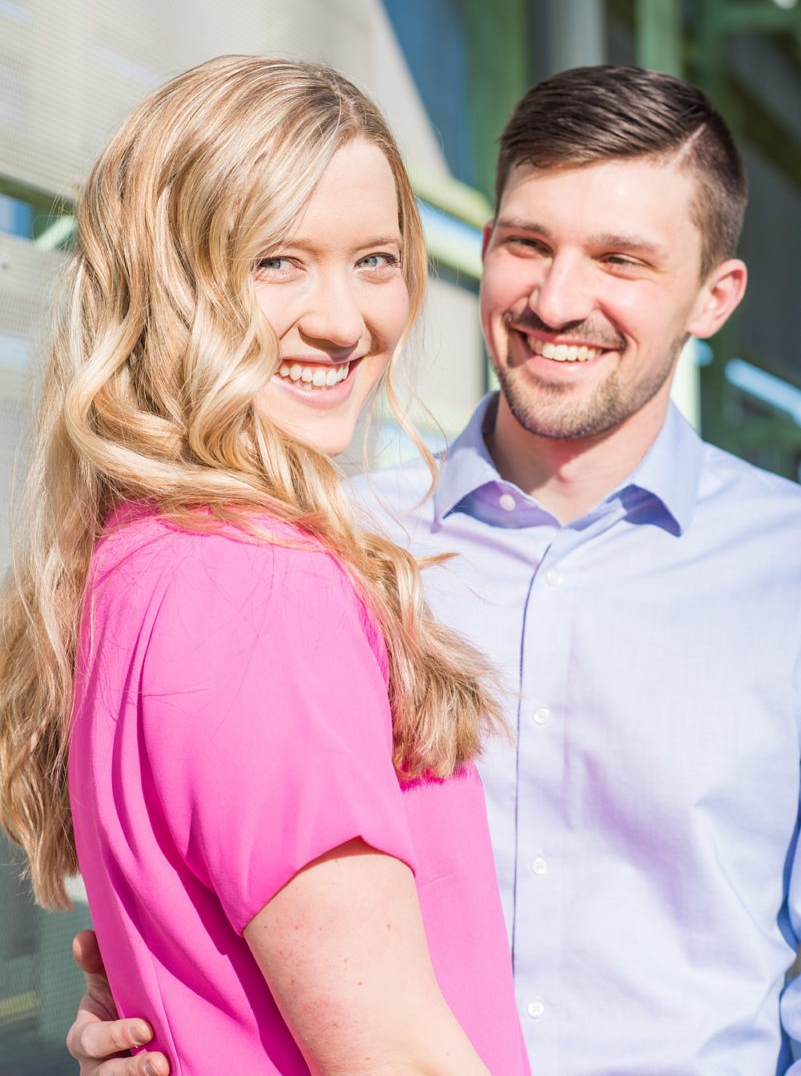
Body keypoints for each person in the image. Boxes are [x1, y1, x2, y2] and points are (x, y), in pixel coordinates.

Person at [67, 65, 801, 1076]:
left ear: (715, 298)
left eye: (620, 260)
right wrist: (171, 1012)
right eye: (527, 245)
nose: (556, 298)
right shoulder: (323, 552)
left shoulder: (787, 574)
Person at [0, 56, 531, 1076]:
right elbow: (401, 1060)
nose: (343, 322)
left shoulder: (139, 560)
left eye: (375, 260)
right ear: (170, 283)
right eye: (277, 261)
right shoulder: (251, 583)